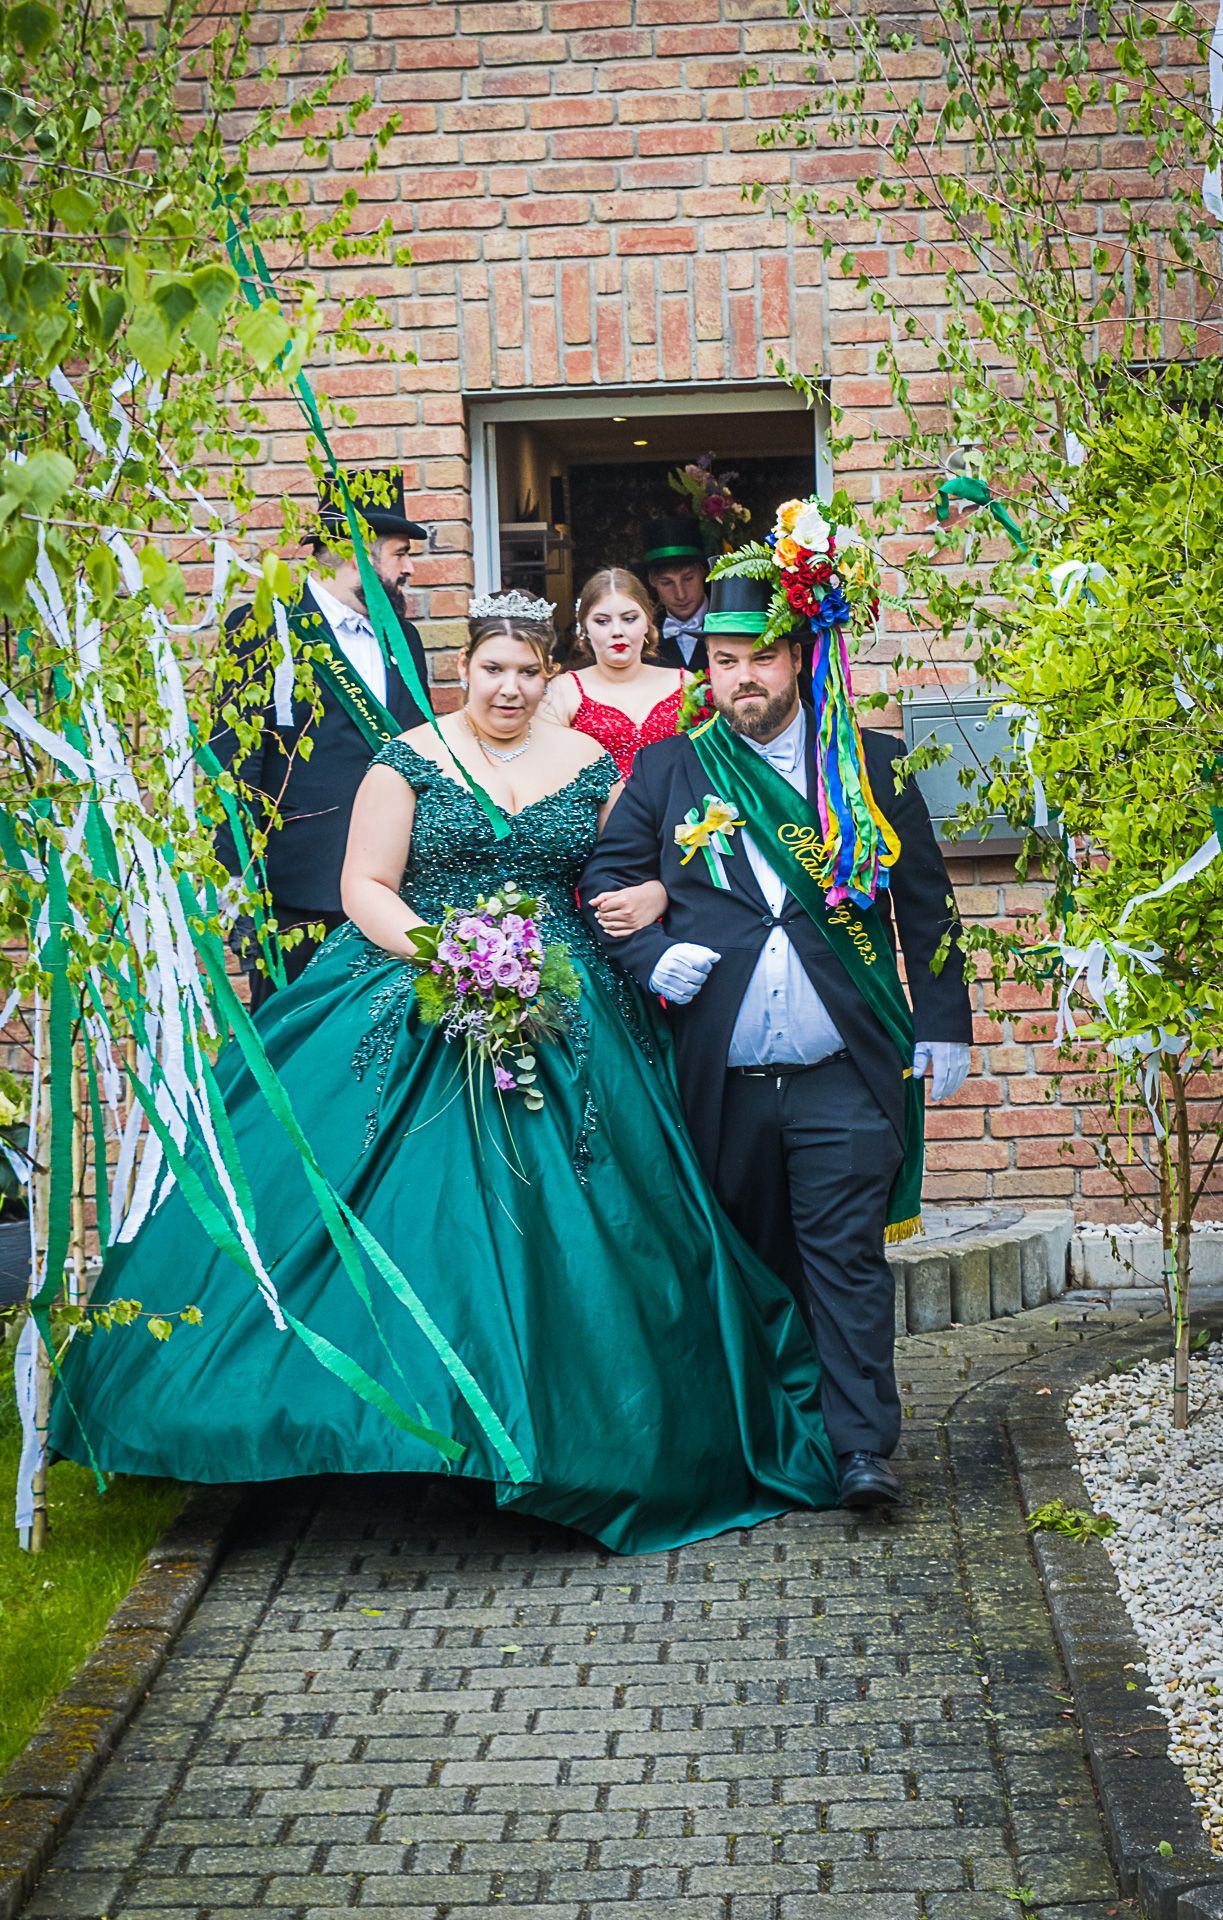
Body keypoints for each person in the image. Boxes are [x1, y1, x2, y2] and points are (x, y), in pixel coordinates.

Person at [49, 593, 839, 1555]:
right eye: (492, 669)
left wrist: (646, 894)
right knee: (397, 1209)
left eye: (527, 671)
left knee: (587, 1215)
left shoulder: (590, 764)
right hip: (415, 976)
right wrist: (449, 954)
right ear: (463, 669)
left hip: (570, 998)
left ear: (549, 675)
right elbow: (363, 886)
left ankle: (570, 1430)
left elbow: (633, 868)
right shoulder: (408, 758)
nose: (509, 688)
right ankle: (368, 1421)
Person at [581, 574, 974, 1511]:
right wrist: (651, 952)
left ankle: (861, 1450)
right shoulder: (672, 770)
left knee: (845, 1259)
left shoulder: (872, 765)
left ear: (796, 658)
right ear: (705, 672)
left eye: (760, 657)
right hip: (722, 1075)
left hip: (843, 1066)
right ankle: (778, 1436)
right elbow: (606, 879)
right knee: (753, 1260)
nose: (743, 677)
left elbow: (927, 908)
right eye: (724, 662)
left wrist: (943, 1023)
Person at [213, 469, 432, 1008]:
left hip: (397, 889)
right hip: (296, 892)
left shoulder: (405, 638)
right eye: (400, 553)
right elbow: (236, 763)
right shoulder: (264, 627)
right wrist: (236, 879)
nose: (408, 568)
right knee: (291, 1041)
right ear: (355, 552)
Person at [543, 567, 687, 780]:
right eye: (602, 621)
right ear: (584, 628)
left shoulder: (686, 684)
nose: (617, 631)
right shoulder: (561, 691)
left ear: (647, 622)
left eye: (629, 619)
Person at [640, 515, 709, 671]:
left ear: (703, 571)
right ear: (652, 580)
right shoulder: (642, 636)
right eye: (667, 582)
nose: (680, 594)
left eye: (688, 578)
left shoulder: (733, 621)